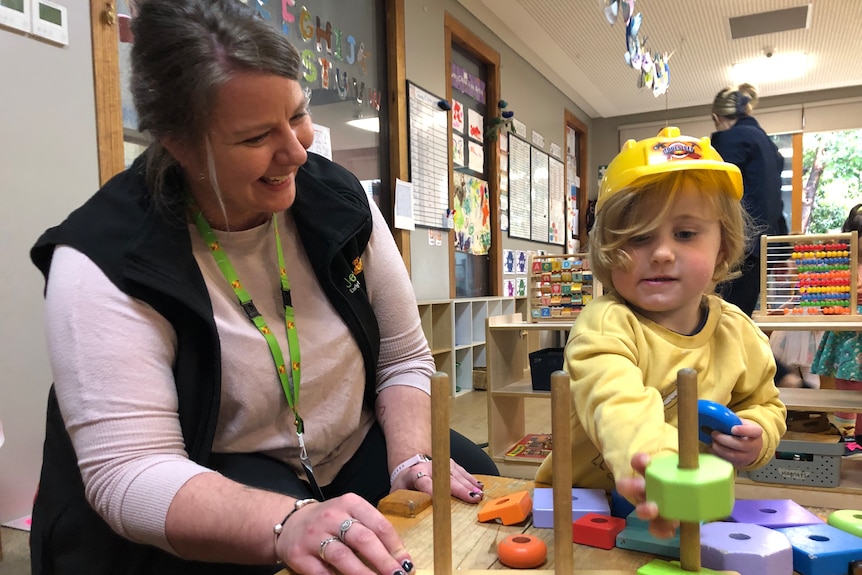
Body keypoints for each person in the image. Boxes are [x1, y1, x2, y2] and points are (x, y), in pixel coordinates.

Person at [28, 1, 496, 574]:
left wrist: (412, 460)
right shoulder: (101, 258)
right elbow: (131, 472)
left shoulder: (340, 201)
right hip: (218, 468)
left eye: (298, 115)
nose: (297, 152)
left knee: (475, 488)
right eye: (255, 138)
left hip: (349, 447)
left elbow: (403, 357)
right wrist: (288, 523)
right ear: (177, 144)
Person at [534, 127, 787, 536]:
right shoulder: (605, 324)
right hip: (584, 513)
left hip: (691, 514)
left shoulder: (738, 332)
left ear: (722, 246)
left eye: (685, 234)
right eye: (638, 238)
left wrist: (758, 439)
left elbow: (766, 404)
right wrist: (658, 465)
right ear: (606, 250)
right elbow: (616, 403)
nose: (663, 253)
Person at [710, 82, 788, 315]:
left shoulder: (730, 139)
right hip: (762, 248)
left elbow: (715, 191)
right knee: (738, 317)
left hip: (737, 244)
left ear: (717, 117)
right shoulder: (768, 145)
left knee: (717, 316)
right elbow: (775, 201)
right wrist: (783, 250)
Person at [811, 203, 862, 455]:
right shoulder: (841, 265)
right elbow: (826, 301)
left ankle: (859, 435)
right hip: (847, 339)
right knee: (847, 386)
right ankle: (848, 436)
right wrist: (846, 295)